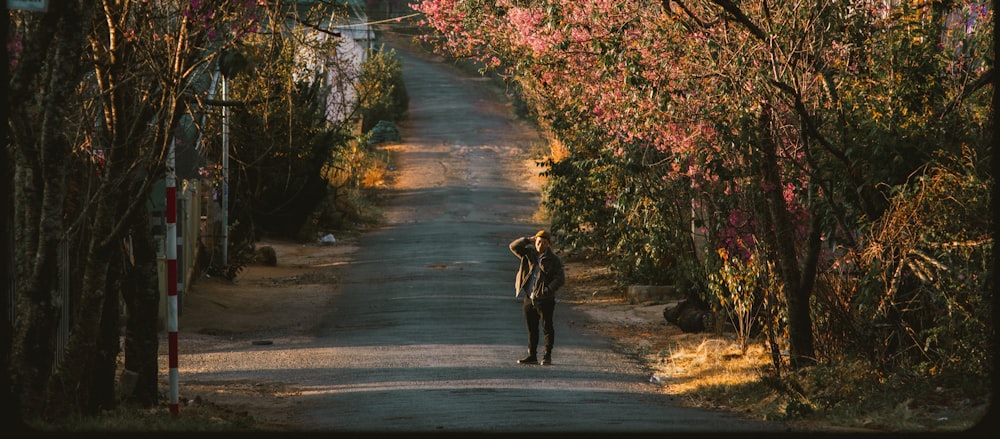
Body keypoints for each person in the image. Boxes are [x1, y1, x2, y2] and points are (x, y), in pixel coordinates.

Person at [509, 230, 565, 365]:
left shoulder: (554, 259)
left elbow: (560, 278)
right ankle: (532, 355)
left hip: (545, 299)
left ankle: (547, 355)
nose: (541, 245)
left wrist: (548, 290)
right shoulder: (529, 253)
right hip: (530, 297)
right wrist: (528, 239)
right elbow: (513, 247)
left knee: (547, 327)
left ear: (549, 244)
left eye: (544, 243)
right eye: (539, 242)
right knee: (532, 328)